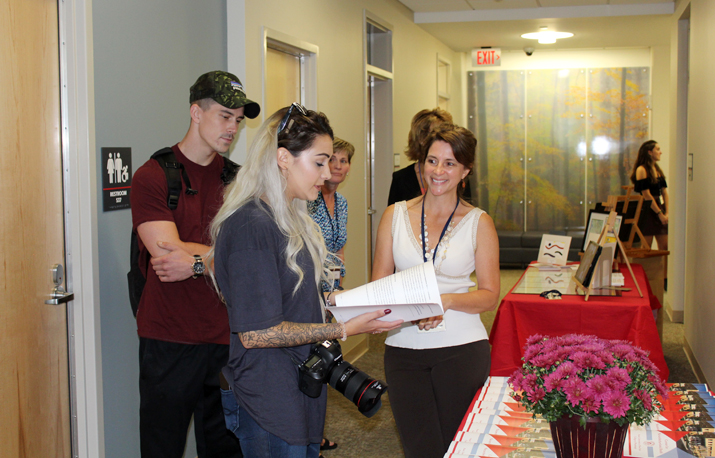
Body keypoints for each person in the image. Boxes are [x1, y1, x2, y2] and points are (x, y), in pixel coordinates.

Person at [209, 103, 403, 458]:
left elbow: (299, 300)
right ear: (283, 158)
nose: (328, 173)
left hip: (298, 383)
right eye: (319, 162)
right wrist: (341, 330)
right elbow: (256, 334)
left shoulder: (290, 220)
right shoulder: (251, 225)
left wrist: (354, 306)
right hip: (268, 395)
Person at [130, 70, 260, 458]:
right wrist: (222, 256)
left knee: (226, 447)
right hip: (169, 338)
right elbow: (166, 254)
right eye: (224, 115)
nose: (232, 127)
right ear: (195, 112)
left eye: (238, 119)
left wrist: (199, 263)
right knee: (162, 446)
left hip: (227, 339)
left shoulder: (240, 183)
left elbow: (251, 260)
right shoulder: (153, 176)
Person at [372, 123, 500, 457]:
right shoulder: (394, 215)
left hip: (461, 347)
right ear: (421, 165)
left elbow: (489, 295)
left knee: (458, 447)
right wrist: (409, 308)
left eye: (449, 163)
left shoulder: (479, 222)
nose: (438, 171)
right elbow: (379, 288)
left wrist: (444, 301)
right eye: (432, 161)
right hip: (402, 348)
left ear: (465, 171)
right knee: (420, 447)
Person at [387, 108, 471, 205]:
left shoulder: (458, 174)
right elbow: (395, 217)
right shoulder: (401, 178)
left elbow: (467, 213)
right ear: (420, 139)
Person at [307, 137, 353, 293]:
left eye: (343, 161)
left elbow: (339, 248)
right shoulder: (309, 199)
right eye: (332, 159)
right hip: (310, 286)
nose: (338, 166)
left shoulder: (342, 203)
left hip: (333, 288)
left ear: (349, 167)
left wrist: (338, 288)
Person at [630, 139, 668, 286]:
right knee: (646, 247)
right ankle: (643, 279)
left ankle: (664, 280)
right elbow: (646, 195)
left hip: (660, 209)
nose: (660, 152)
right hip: (648, 210)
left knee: (664, 246)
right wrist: (659, 213)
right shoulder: (642, 169)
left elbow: (664, 192)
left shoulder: (657, 170)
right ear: (649, 152)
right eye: (657, 149)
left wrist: (667, 213)